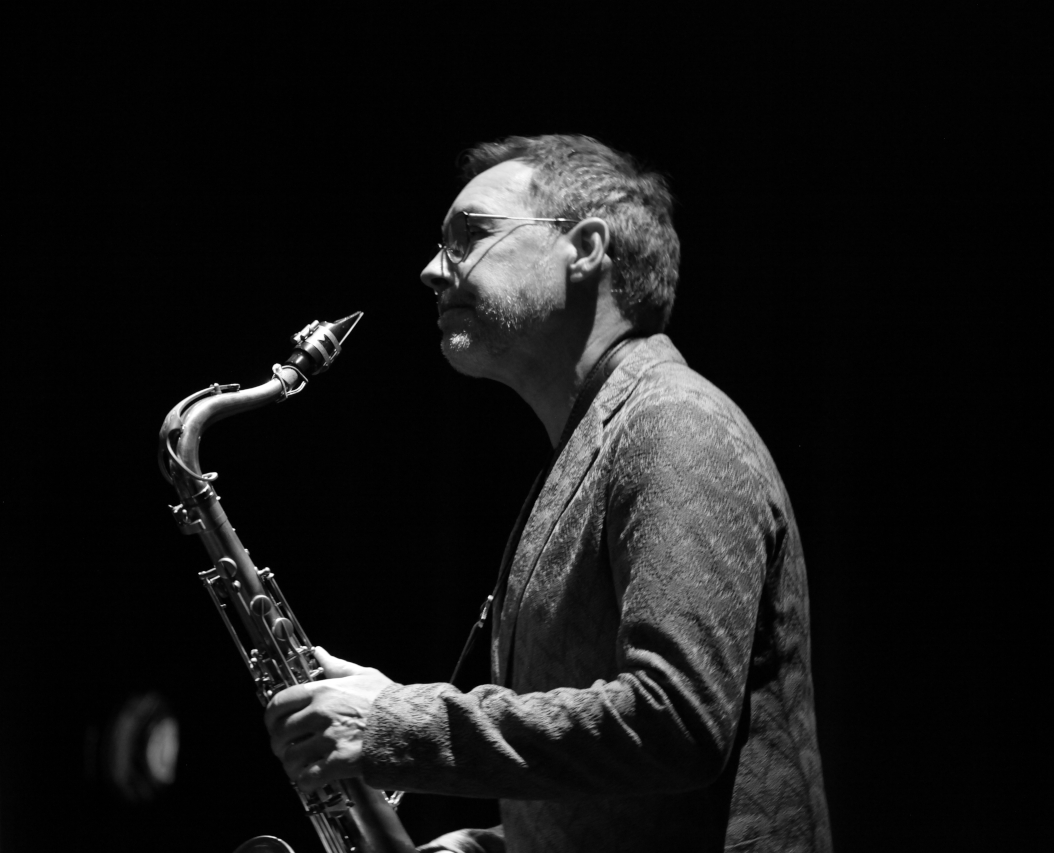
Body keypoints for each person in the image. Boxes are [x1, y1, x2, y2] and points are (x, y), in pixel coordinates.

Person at [265, 134, 832, 852]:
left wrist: (393, 722)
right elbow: (624, 802)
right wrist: (488, 845)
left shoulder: (672, 421)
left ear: (586, 247)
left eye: (470, 236)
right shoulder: (595, 441)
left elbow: (674, 722)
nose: (432, 270)